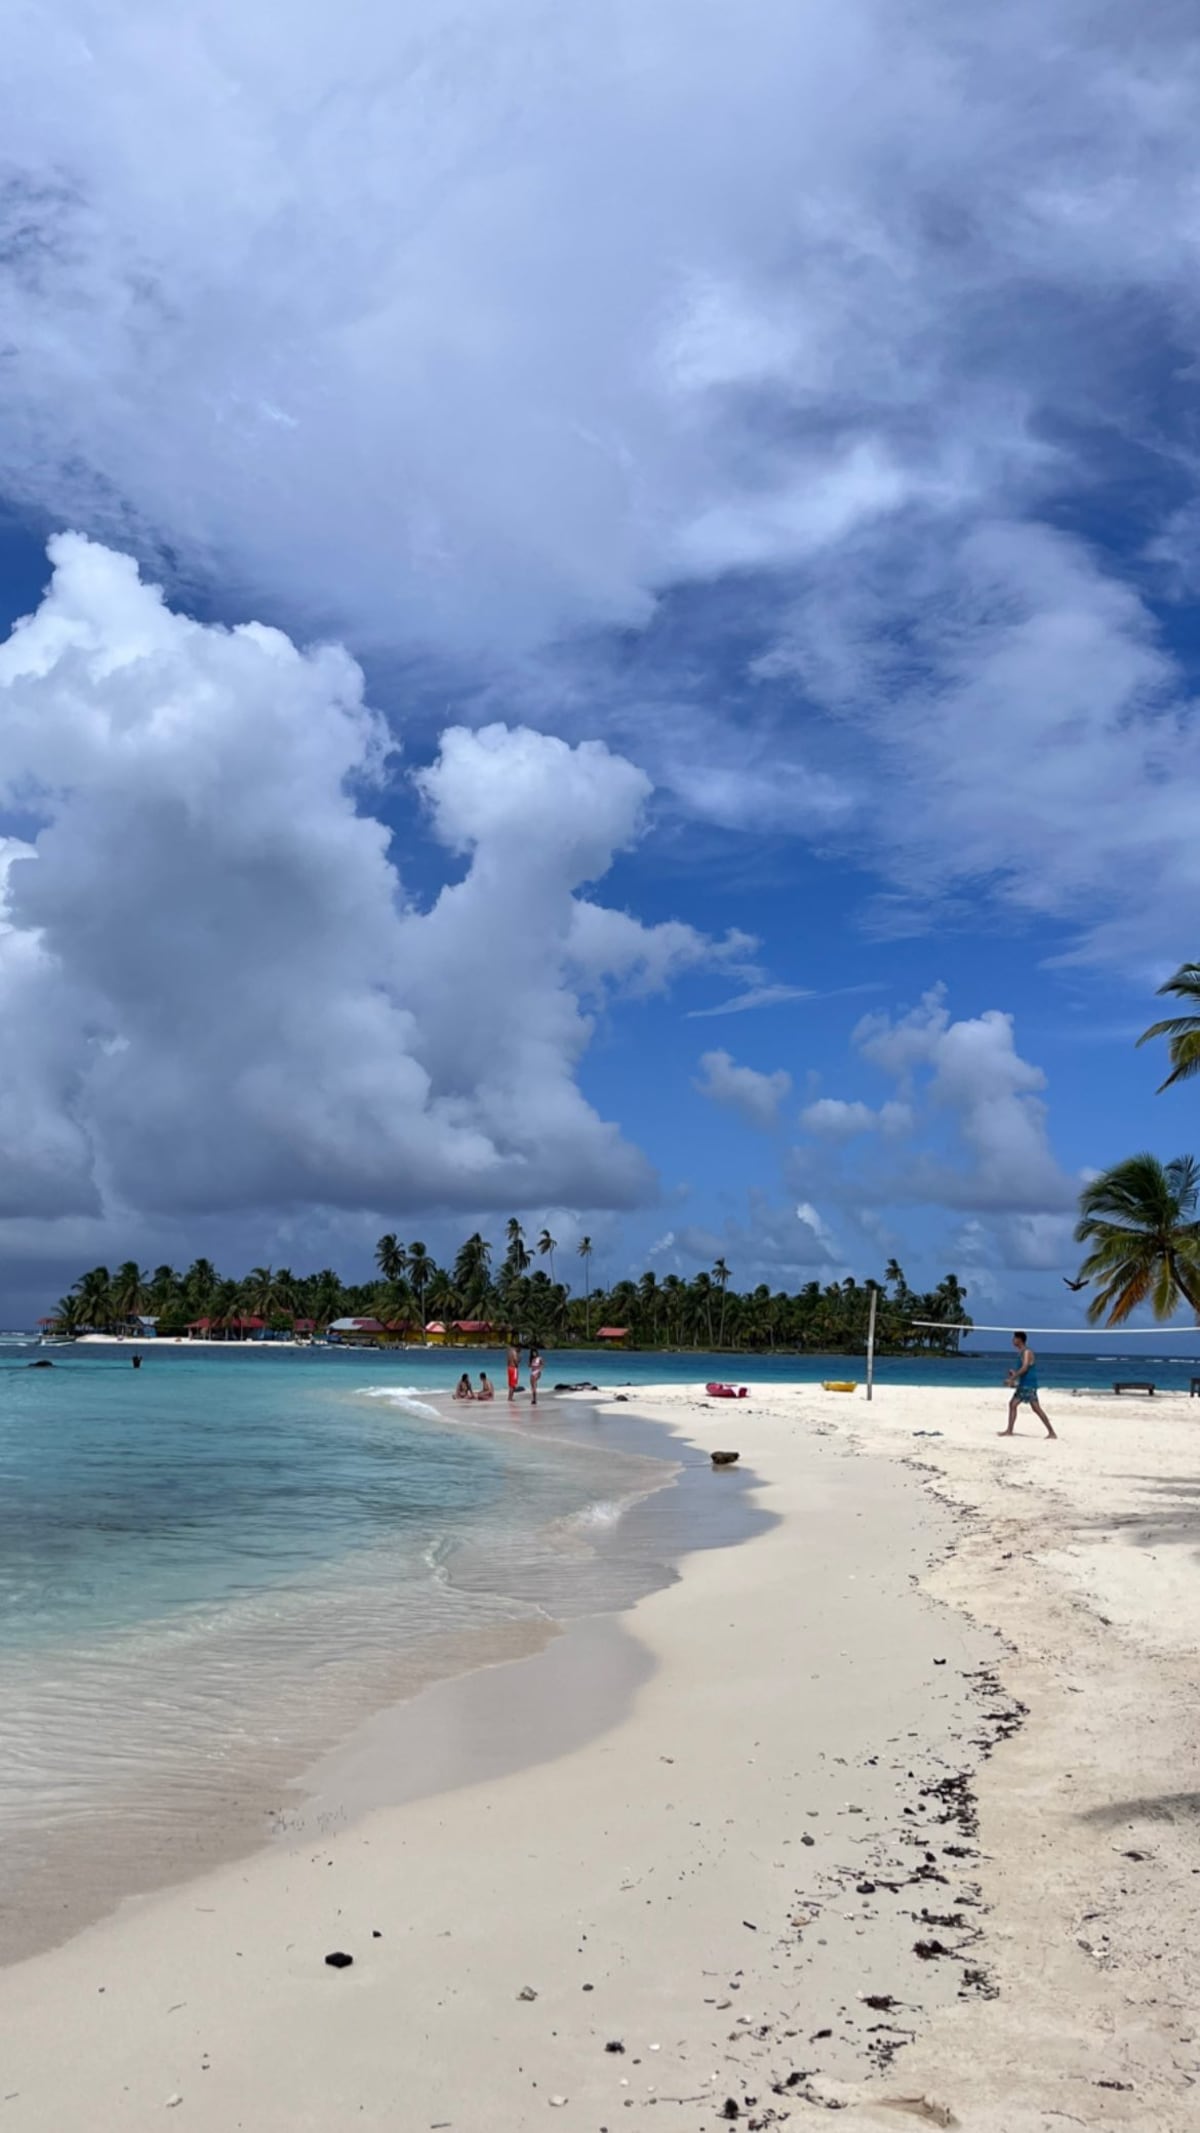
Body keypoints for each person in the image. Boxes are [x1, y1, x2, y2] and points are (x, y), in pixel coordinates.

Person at [1002, 1331, 1056, 1439]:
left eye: (1014, 1338)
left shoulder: (1027, 1352)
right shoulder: (1021, 1352)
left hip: (1029, 1385)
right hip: (1024, 1384)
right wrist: (1014, 1373)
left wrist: (1012, 1378)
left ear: (1019, 1340)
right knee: (1013, 1404)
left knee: (1035, 1408)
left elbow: (1025, 1367)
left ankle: (1052, 1432)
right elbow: (1024, 1369)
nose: (1012, 1341)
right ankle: (1009, 1430)